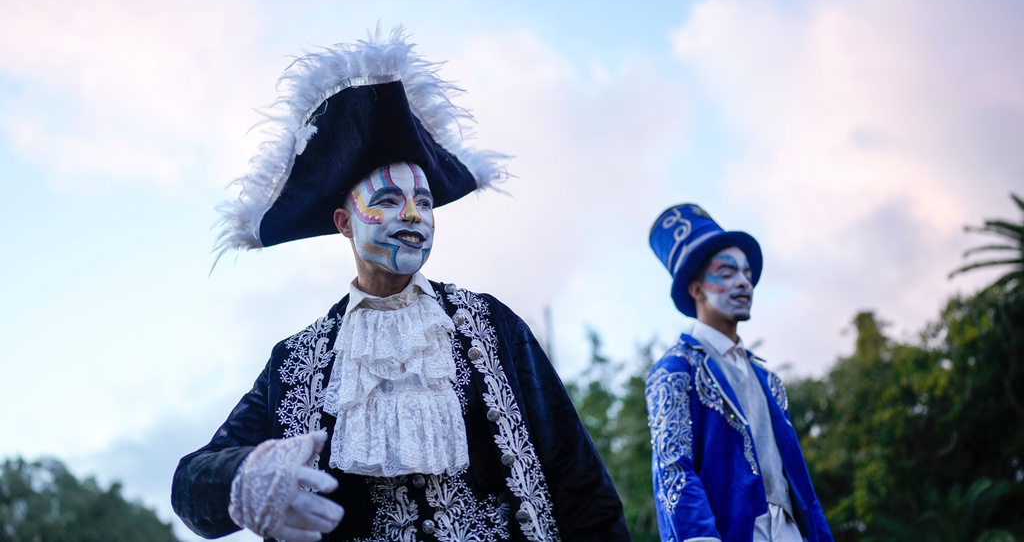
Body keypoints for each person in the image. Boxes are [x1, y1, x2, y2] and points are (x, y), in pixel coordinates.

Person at [171, 28, 629, 542]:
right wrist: (244, 477)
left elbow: (580, 482)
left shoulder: (491, 325)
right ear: (345, 223)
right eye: (387, 200)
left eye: (425, 202)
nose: (413, 214)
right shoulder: (297, 361)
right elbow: (190, 486)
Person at [645, 204, 832, 542]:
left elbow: (798, 480)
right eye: (726, 272)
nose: (744, 282)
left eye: (746, 273)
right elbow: (674, 470)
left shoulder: (766, 378)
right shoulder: (675, 371)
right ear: (697, 288)